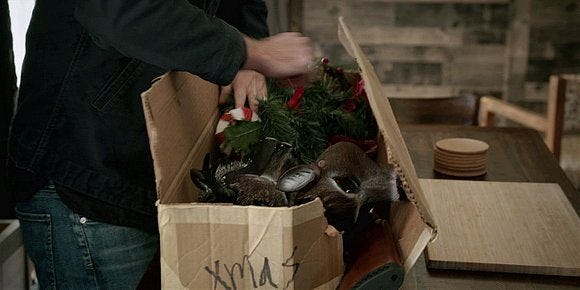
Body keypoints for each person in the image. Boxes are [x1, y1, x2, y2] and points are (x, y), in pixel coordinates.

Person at [7, 1, 313, 289]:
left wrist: (246, 56)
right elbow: (120, 10)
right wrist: (250, 51)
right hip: (88, 176)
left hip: (158, 166)